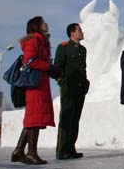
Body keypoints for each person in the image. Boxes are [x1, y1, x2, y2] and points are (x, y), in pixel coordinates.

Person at [12, 16, 59, 165]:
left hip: (40, 84)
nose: (46, 23)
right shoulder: (33, 41)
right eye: (43, 22)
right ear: (36, 26)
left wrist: (51, 70)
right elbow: (30, 60)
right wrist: (48, 67)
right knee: (34, 119)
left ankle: (19, 151)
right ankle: (31, 153)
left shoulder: (42, 41)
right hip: (34, 86)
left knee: (35, 119)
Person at [54, 23, 90, 160]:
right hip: (68, 87)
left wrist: (86, 82)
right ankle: (62, 149)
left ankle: (70, 147)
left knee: (75, 119)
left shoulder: (83, 50)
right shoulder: (63, 47)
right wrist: (62, 82)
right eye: (79, 30)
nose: (82, 32)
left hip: (80, 88)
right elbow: (57, 67)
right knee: (66, 118)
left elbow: (83, 68)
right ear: (72, 33)